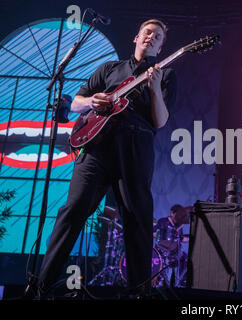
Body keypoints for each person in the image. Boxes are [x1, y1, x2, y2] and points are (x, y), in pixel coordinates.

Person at [26, 19, 177, 299]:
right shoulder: (109, 68)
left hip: (135, 148)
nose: (151, 38)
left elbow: (161, 121)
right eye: (147, 33)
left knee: (137, 218)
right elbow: (76, 102)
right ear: (136, 37)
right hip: (97, 147)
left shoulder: (165, 74)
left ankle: (139, 292)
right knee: (72, 211)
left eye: (157, 36)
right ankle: (41, 287)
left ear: (161, 45)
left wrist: (155, 89)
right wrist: (91, 102)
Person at [153, 204, 189, 287]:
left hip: (175, 253)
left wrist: (193, 238)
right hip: (163, 251)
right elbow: (154, 233)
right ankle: (162, 283)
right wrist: (160, 236)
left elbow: (181, 238)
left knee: (186, 259)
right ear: (172, 213)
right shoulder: (163, 222)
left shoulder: (179, 225)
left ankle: (180, 283)